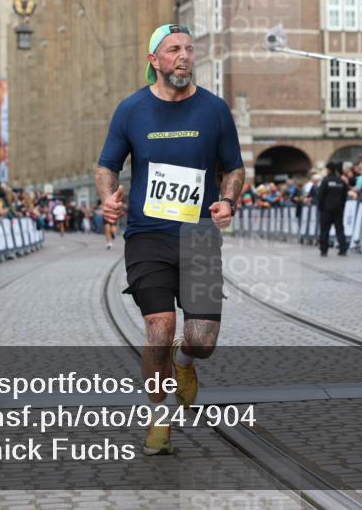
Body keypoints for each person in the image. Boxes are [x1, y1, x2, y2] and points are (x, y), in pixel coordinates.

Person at [95, 23, 244, 456]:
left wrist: (229, 200)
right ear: (153, 60)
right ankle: (158, 418)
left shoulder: (214, 110)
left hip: (198, 236)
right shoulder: (131, 110)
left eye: (189, 49)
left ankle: (185, 363)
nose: (183, 56)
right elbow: (106, 165)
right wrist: (108, 197)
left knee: (202, 341)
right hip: (147, 235)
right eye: (173, 49)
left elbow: (234, 167)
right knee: (159, 329)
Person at [316, 162, 349, 257]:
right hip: (338, 210)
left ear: (328, 170)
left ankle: (324, 250)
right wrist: (341, 207)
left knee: (324, 230)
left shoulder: (325, 181)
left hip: (326, 210)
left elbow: (320, 195)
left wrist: (320, 207)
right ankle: (343, 249)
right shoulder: (341, 181)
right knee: (340, 230)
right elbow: (344, 195)